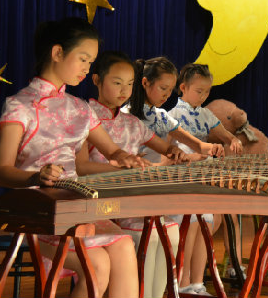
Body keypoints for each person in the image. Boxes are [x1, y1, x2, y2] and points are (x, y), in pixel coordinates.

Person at [0, 18, 144, 298]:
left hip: (75, 206)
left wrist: (127, 158)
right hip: (37, 213)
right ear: (57, 53)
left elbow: (112, 150)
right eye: (83, 59)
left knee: (124, 245)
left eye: (91, 62)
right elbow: (1, 171)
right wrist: (35, 176)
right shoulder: (21, 106)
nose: (87, 69)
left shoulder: (78, 107)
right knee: (97, 264)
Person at [77, 50, 196, 298]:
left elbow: (164, 147)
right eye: (117, 83)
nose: (124, 91)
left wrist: (175, 152)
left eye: (129, 84)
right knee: (149, 235)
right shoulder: (85, 117)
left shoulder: (131, 122)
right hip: (99, 201)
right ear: (96, 80)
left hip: (131, 200)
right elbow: (80, 168)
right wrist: (120, 169)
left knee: (170, 230)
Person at [126, 56, 225, 296]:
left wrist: (210, 148)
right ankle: (174, 284)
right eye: (163, 88)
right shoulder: (128, 115)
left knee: (202, 216)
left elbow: (195, 144)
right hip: (138, 188)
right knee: (185, 218)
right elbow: (130, 162)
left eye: (170, 90)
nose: (167, 95)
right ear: (145, 83)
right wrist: (166, 162)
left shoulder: (160, 115)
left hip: (161, 184)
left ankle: (185, 285)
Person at [169, 63, 245, 288]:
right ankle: (182, 282)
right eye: (199, 91)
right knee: (190, 225)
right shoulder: (172, 115)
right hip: (183, 177)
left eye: (207, 92)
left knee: (206, 224)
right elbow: (168, 151)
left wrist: (233, 139)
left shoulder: (205, 114)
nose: (203, 96)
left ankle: (197, 282)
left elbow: (225, 134)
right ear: (183, 87)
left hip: (203, 176)